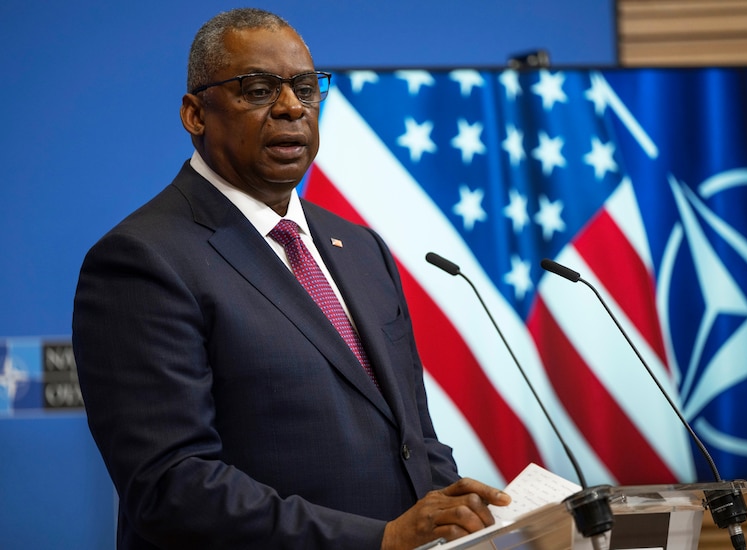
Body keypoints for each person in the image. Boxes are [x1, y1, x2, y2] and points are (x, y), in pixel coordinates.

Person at [72, 7, 510, 550]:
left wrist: (459, 520)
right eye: (257, 90)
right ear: (195, 114)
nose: (290, 107)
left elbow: (414, 438)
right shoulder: (143, 260)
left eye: (306, 87)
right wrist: (381, 539)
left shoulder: (361, 248)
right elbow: (172, 487)